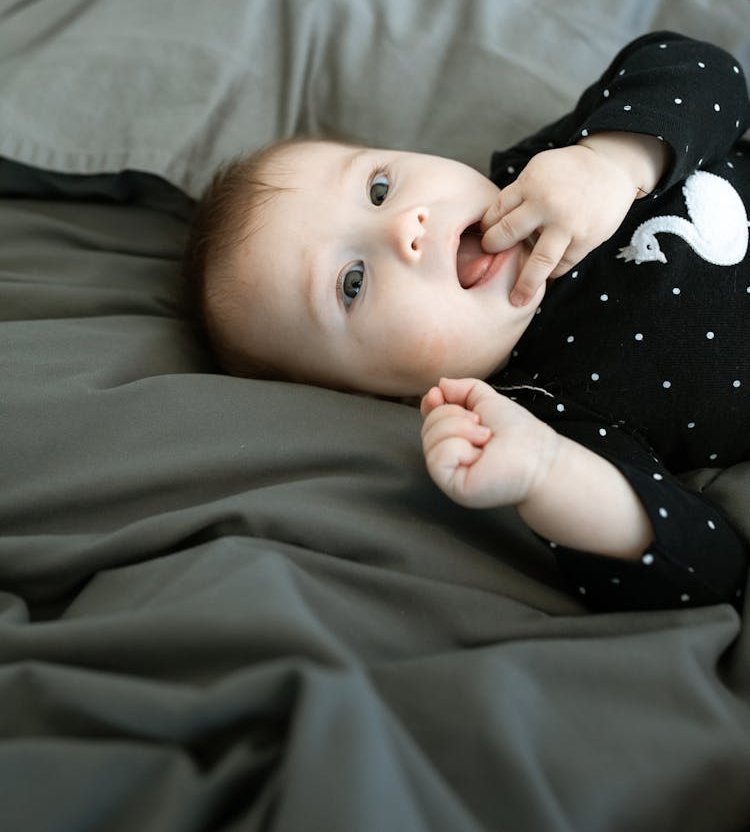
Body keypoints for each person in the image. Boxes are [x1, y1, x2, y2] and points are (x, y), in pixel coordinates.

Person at [186, 32, 750, 612]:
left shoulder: (546, 168)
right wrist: (547, 473)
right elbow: (707, 564)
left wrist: (611, 160)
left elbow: (706, 73)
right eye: (351, 284)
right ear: (383, 395)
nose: (404, 227)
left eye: (379, 188)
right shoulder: (538, 413)